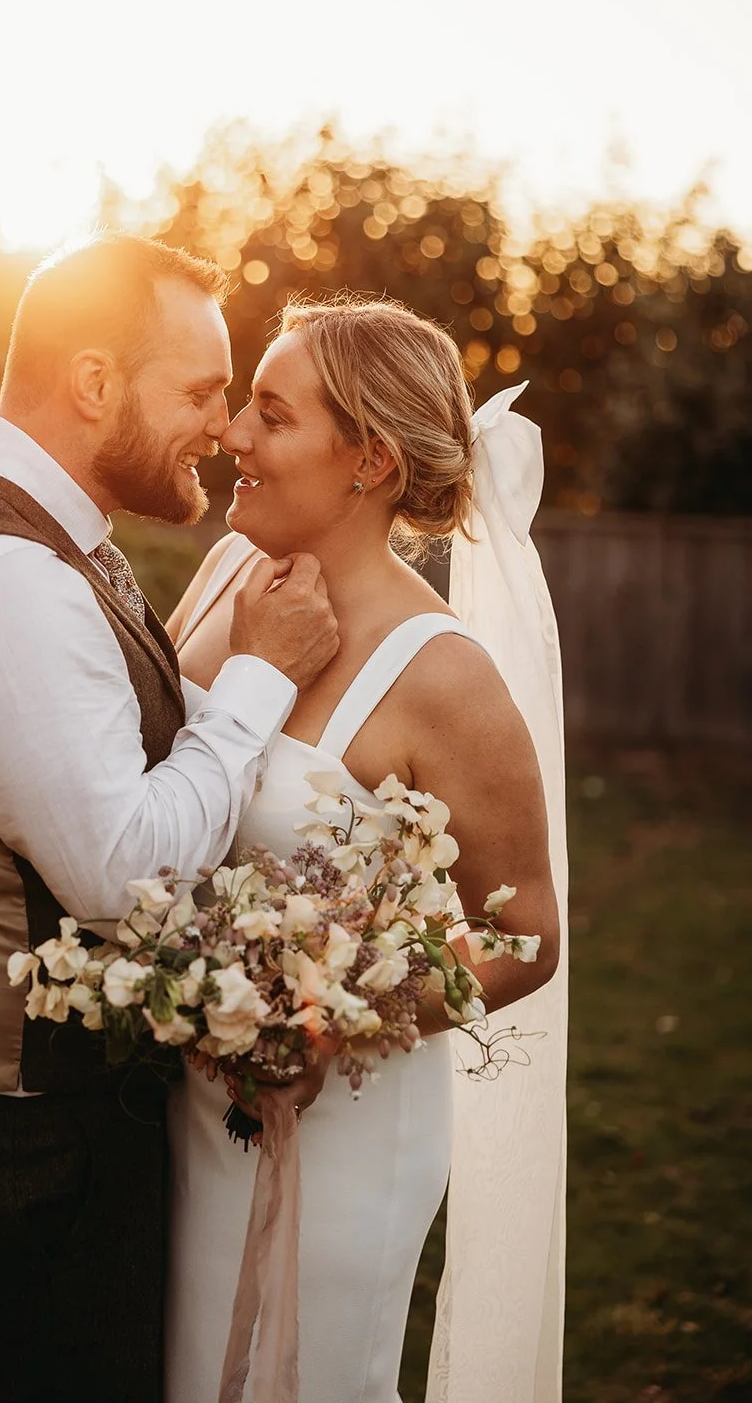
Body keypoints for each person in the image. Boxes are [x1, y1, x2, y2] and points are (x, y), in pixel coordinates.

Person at [0, 234, 340, 1403]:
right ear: (95, 383)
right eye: (201, 392)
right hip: (11, 1134)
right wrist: (265, 676)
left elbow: (108, 741)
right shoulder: (4, 581)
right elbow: (124, 879)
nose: (223, 430)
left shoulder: (46, 536)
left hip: (4, 1103)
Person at [164, 295, 566, 1403]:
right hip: (177, 1100)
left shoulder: (445, 677)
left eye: (270, 416)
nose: (232, 438)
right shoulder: (222, 585)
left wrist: (334, 1023)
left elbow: (525, 935)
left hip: (342, 1126)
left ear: (369, 460)